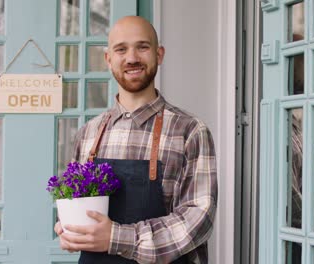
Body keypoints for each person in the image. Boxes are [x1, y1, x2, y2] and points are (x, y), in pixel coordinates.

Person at [54, 15, 218, 264]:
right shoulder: (88, 133)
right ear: (108, 59)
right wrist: (70, 230)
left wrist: (116, 237)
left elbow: (198, 220)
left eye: (142, 47)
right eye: (121, 49)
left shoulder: (190, 131)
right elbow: (76, 205)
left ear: (159, 55)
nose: (131, 58)